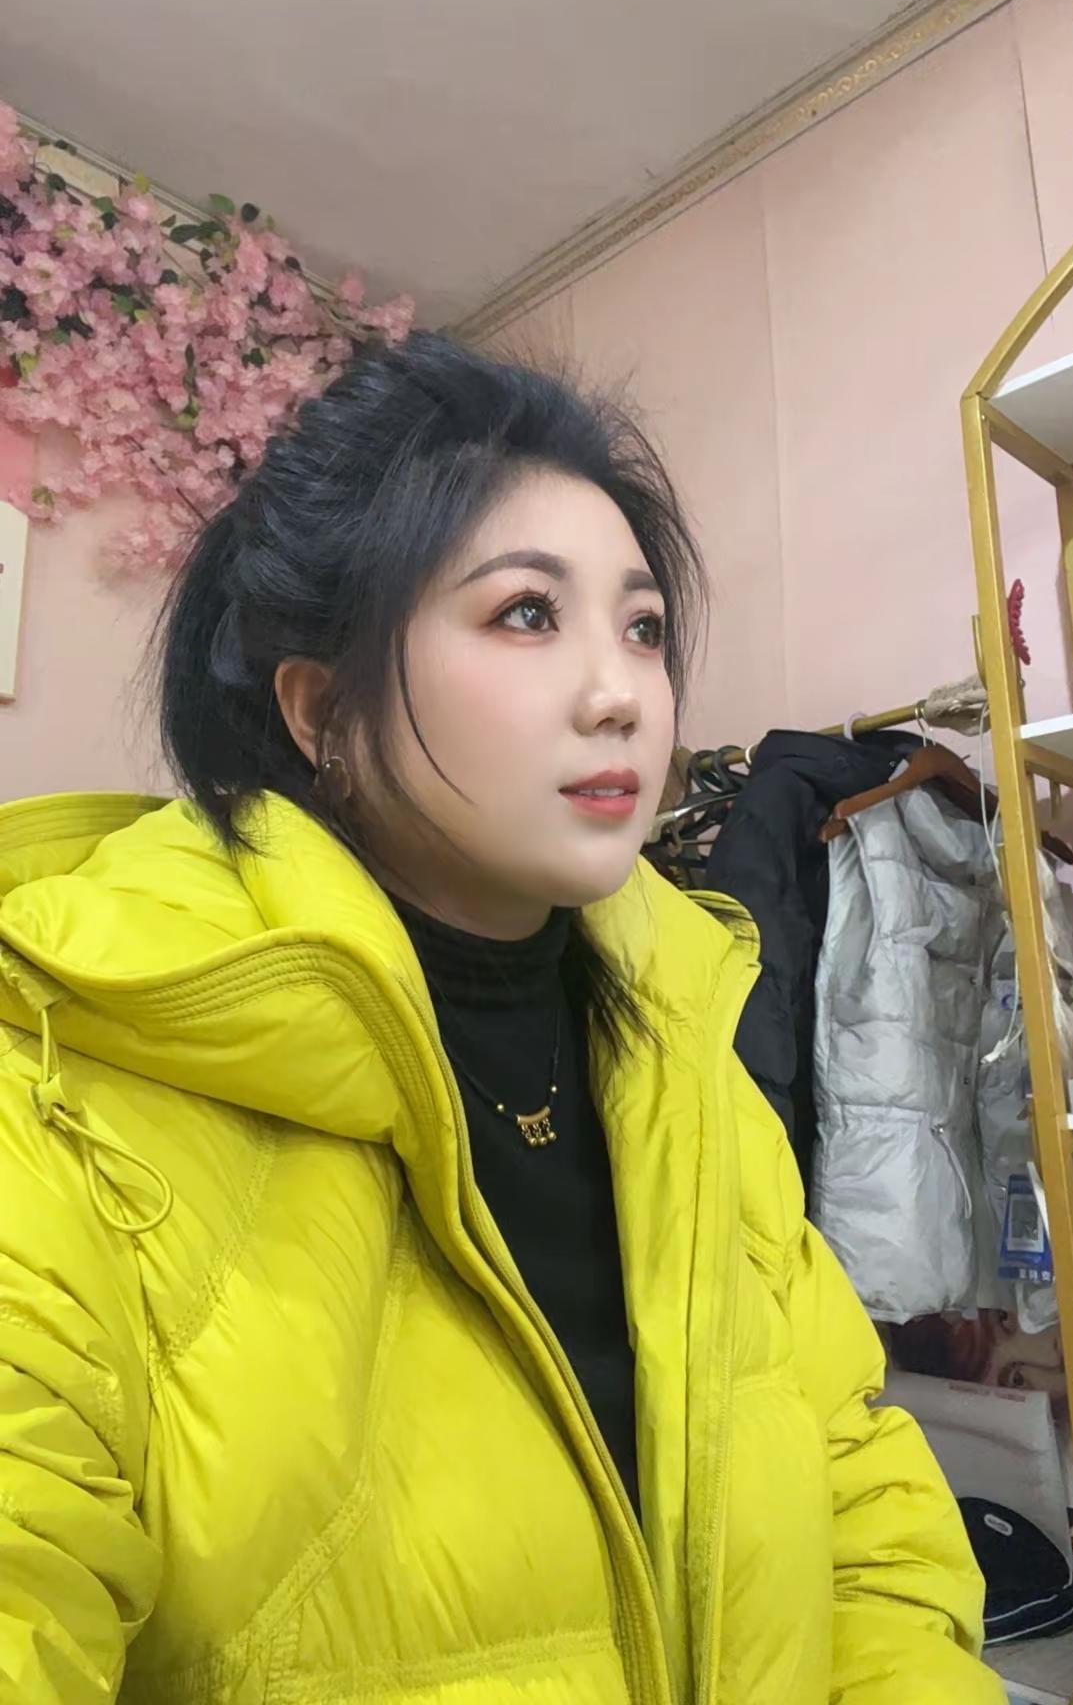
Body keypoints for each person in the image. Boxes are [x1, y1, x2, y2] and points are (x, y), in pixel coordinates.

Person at [0, 335, 1000, 1704]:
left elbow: (860, 1482)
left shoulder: (685, 1049)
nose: (622, 693)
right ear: (322, 710)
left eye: (643, 627)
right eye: (527, 613)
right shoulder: (57, 1101)